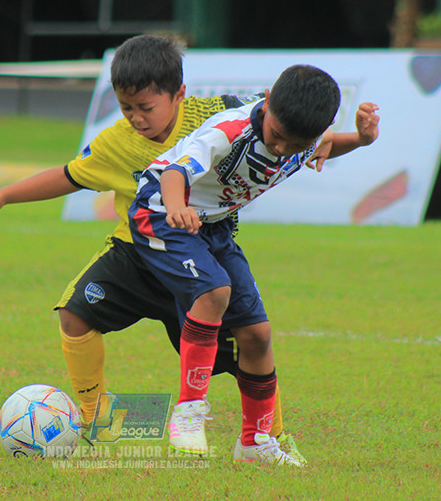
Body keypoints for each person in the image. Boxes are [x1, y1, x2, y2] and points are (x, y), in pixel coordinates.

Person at [0, 35, 307, 456]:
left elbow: (284, 116)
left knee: (247, 345)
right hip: (137, 250)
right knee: (74, 314)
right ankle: (97, 419)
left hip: (200, 255)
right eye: (126, 107)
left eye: (146, 108)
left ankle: (266, 434)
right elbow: (68, 176)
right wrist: (2, 195)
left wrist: (332, 137)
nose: (136, 118)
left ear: (179, 93)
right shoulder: (116, 142)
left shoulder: (215, 114)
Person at [129, 64, 380, 465]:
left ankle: (254, 443)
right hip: (160, 211)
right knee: (215, 291)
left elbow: (330, 142)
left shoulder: (302, 136)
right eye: (277, 136)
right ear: (266, 100)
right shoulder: (229, 130)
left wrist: (363, 140)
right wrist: (177, 209)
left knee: (258, 335)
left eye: (295, 143)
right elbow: (174, 173)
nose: (282, 149)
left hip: (214, 226)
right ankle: (188, 416)